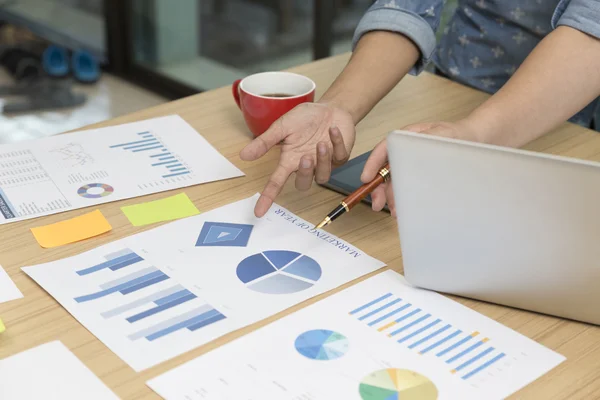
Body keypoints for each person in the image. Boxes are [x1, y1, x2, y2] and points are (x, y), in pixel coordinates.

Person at [239, 0, 600, 218]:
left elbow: (592, 31)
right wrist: (339, 106)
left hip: (571, 123)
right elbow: (407, 6)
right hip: (456, 86)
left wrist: (475, 133)